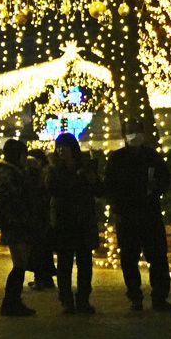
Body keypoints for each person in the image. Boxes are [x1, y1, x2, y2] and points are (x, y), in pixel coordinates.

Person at [104, 119, 171, 312]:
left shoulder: (152, 156)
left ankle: (159, 297)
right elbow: (109, 187)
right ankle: (135, 296)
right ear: (124, 135)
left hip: (150, 214)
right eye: (130, 132)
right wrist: (118, 206)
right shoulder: (117, 159)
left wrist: (156, 186)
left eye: (137, 131)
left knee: (158, 257)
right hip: (127, 217)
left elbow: (165, 179)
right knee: (129, 258)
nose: (134, 135)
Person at [45, 133, 102, 315]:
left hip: (83, 221)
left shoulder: (84, 166)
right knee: (65, 264)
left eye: (65, 146)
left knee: (85, 263)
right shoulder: (54, 169)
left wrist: (90, 178)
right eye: (59, 147)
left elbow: (97, 189)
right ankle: (66, 301)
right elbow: (53, 189)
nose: (61, 150)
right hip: (64, 222)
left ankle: (83, 300)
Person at [0, 138, 41, 316]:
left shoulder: (8, 172)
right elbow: (21, 195)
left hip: (16, 222)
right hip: (17, 223)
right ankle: (11, 302)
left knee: (20, 263)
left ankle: (12, 301)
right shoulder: (11, 174)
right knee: (20, 263)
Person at [25, 148, 56, 291]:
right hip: (42, 216)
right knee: (42, 249)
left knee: (39, 249)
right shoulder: (44, 171)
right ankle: (45, 279)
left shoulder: (42, 172)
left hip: (40, 216)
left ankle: (42, 279)